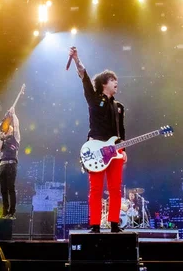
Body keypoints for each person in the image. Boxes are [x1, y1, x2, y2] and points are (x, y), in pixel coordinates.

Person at [69, 47, 127, 233]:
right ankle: (95, 224)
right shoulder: (94, 99)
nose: (116, 82)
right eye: (113, 80)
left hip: (116, 150)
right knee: (95, 189)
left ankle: (114, 223)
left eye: (116, 80)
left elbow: (121, 130)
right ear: (104, 83)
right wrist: (77, 60)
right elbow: (84, 78)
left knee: (115, 188)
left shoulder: (119, 106)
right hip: (96, 148)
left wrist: (123, 149)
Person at [0, 107, 20, 219]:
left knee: (11, 188)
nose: (8, 130)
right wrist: (1, 138)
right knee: (3, 189)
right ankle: (5, 212)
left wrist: (13, 115)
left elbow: (16, 126)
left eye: (9, 128)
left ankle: (12, 212)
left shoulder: (15, 138)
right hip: (2, 165)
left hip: (11, 164)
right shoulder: (3, 140)